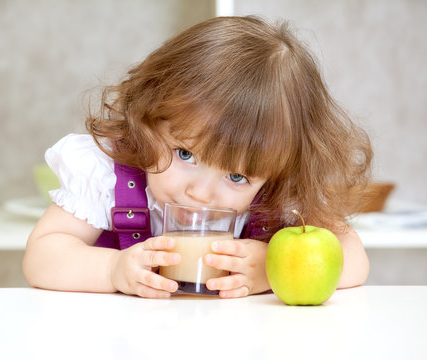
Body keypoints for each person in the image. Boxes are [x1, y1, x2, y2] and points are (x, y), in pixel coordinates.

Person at [23, 16, 372, 299]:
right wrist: (112, 269)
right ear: (150, 115)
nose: (201, 194)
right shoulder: (108, 177)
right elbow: (42, 257)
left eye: (237, 178)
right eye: (185, 153)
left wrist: (273, 268)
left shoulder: (280, 192)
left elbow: (355, 260)